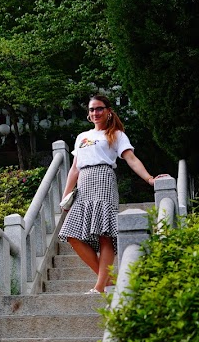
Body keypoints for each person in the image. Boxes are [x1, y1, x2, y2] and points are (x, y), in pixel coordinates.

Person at [58, 95, 167, 294]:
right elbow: (74, 169)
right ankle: (109, 280)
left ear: (108, 111)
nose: (95, 113)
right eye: (91, 110)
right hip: (83, 185)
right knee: (71, 234)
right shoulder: (82, 137)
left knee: (105, 235)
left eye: (99, 109)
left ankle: (100, 286)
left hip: (103, 180)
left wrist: (150, 179)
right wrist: (65, 197)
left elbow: (131, 159)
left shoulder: (116, 134)